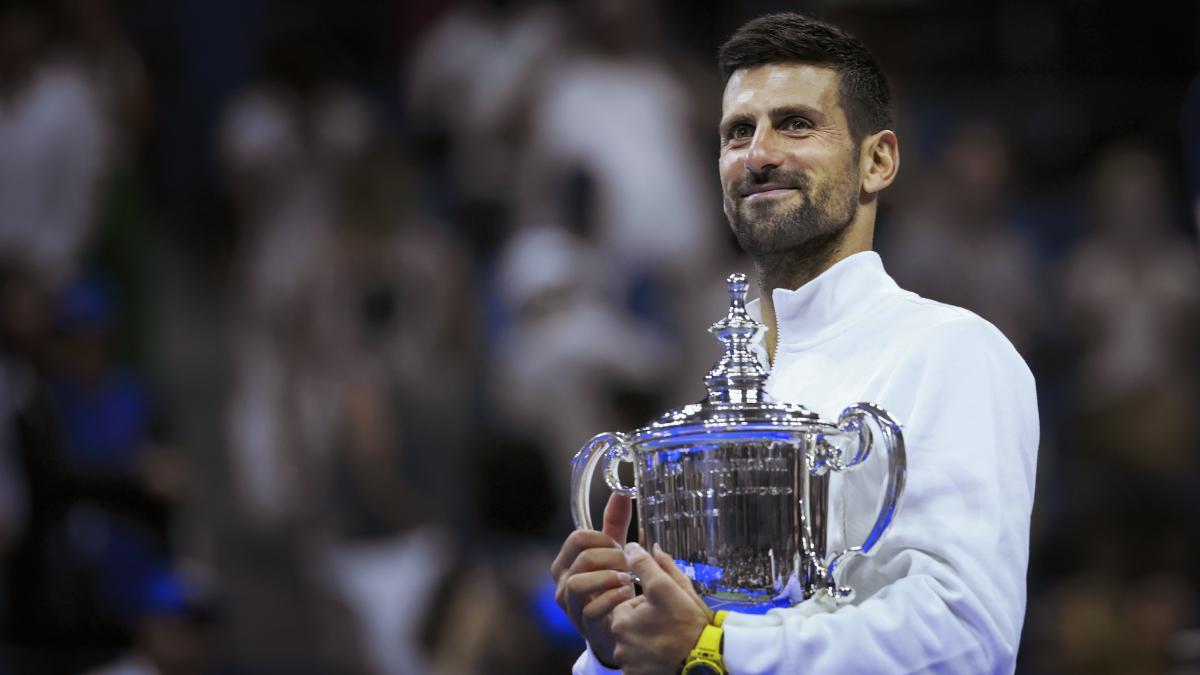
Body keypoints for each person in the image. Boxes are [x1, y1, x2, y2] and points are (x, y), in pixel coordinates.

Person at [550, 12, 1039, 675]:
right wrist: (616, 646)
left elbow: (964, 637)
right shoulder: (736, 397)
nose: (758, 154)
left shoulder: (952, 350)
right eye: (737, 133)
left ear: (878, 160)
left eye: (796, 124)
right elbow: (695, 644)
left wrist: (714, 647)